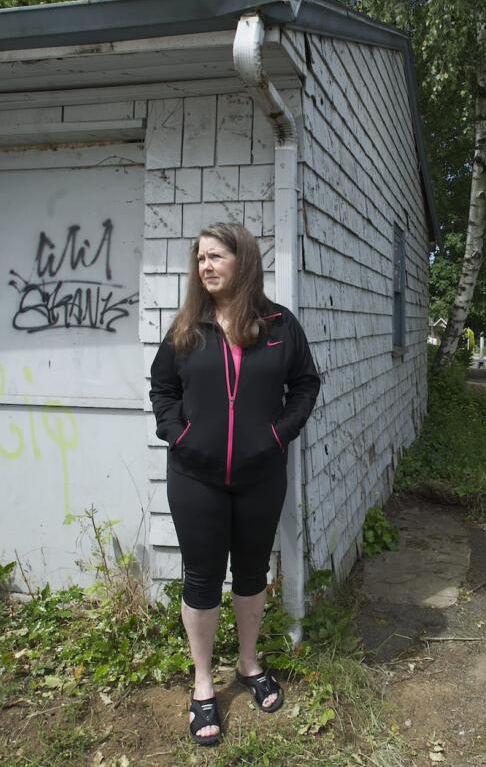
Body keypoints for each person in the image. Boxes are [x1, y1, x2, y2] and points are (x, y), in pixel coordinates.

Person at [149, 222, 321, 746]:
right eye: (200, 258)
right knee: (201, 577)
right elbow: (161, 388)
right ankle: (203, 685)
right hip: (195, 478)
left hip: (259, 476)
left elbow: (306, 384)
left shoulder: (278, 325)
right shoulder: (188, 326)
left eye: (216, 256)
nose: (206, 266)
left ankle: (249, 664)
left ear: (242, 260)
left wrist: (276, 435)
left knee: (250, 572)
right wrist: (179, 435)